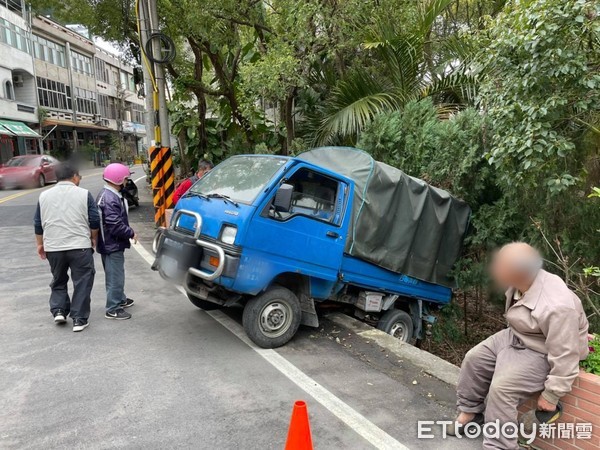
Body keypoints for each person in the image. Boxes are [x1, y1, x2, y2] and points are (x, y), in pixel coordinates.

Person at [449, 242, 589, 449]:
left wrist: (551, 394)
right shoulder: (522, 282)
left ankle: (500, 445)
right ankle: (471, 412)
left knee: (502, 388)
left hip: (542, 348)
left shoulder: (558, 306)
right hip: (517, 335)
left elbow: (566, 354)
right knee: (474, 358)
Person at [34, 163, 99, 332]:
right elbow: (94, 220)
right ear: (75, 176)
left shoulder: (44, 196)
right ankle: (79, 319)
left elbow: (38, 224)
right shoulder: (84, 194)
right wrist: (93, 239)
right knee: (83, 280)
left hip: (53, 247)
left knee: (58, 279)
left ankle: (59, 310)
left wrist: (40, 244)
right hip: (80, 246)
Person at [97, 163, 138, 320]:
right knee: (116, 276)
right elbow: (115, 225)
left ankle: (120, 298)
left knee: (114, 273)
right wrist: (131, 233)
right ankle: (113, 308)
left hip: (108, 242)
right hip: (111, 243)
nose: (127, 181)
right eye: (126, 178)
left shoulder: (110, 194)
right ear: (119, 179)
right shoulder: (109, 198)